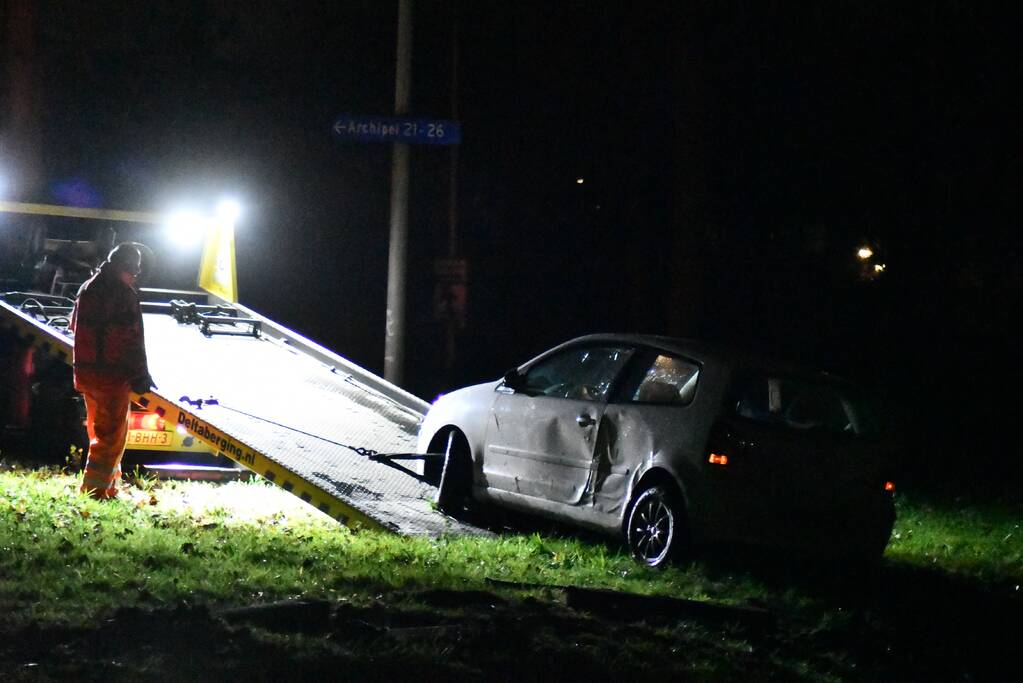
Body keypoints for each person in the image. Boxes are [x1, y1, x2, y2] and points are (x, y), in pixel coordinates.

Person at [70, 242, 156, 499]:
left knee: (98, 432)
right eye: (135, 271)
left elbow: (74, 325)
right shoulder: (123, 294)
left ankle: (109, 486)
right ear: (127, 267)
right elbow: (132, 341)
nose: (135, 276)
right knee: (112, 438)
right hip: (111, 378)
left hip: (87, 375)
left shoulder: (87, 288)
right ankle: (96, 490)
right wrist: (141, 374)